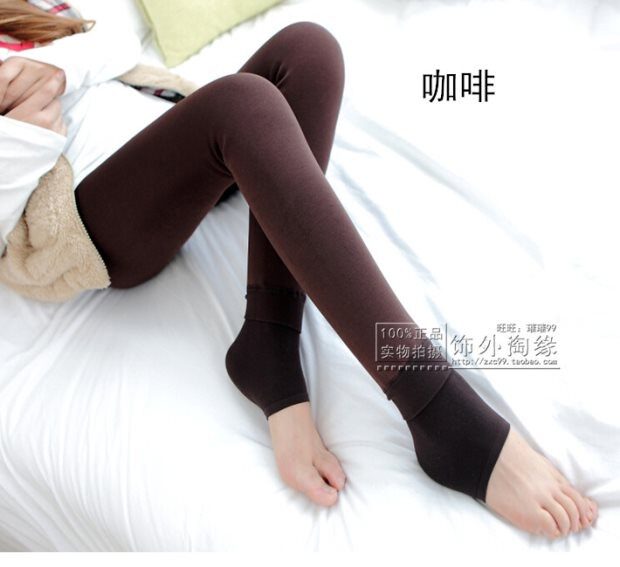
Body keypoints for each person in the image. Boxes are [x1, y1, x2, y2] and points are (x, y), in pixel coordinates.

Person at [0, 0, 598, 540]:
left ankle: (270, 341)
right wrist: (21, 134)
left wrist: (55, 70)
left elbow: (105, 39)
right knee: (242, 104)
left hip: (165, 146)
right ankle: (436, 407)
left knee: (309, 47)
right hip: (83, 220)